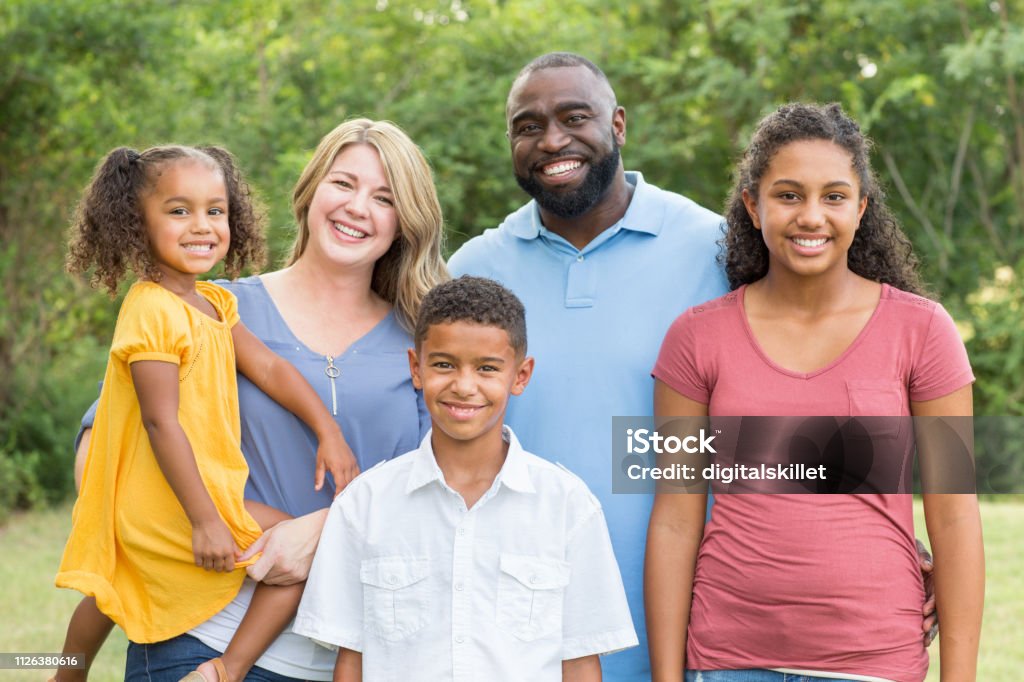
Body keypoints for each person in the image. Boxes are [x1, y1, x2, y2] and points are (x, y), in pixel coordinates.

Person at [447, 53, 942, 678]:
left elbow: (818, 385)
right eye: (527, 125)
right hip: (519, 628)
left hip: (696, 629)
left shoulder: (718, 251)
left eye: (576, 117)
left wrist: (885, 537)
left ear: (619, 124)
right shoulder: (472, 269)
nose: (552, 140)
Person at [71, 119, 448, 681]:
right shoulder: (211, 304)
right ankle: (64, 669)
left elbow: (446, 493)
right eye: (343, 184)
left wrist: (322, 529)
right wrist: (185, 526)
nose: (357, 208)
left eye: (385, 197)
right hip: (199, 636)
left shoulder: (428, 344)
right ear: (311, 191)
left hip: (362, 657)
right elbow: (109, 440)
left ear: (406, 221)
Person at [646, 103, 984, 681]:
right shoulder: (696, 338)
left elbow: (954, 517)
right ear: (753, 207)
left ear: (861, 209)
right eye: (788, 195)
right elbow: (676, 519)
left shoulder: (924, 332)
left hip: (874, 660)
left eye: (833, 196)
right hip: (730, 661)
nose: (811, 216)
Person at [55, 144, 358, 682]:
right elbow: (160, 422)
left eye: (215, 211)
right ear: (134, 224)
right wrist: (206, 522)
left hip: (209, 493)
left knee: (119, 588)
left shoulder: (215, 304)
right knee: (292, 560)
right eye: (179, 211)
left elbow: (268, 369)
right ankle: (225, 669)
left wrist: (327, 430)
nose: (202, 226)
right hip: (171, 503)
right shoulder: (151, 309)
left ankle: (62, 673)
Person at [293, 275, 638, 681]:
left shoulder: (567, 506)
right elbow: (351, 661)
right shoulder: (365, 504)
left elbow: (580, 663)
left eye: (487, 368)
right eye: (443, 364)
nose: (464, 386)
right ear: (415, 368)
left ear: (520, 375)